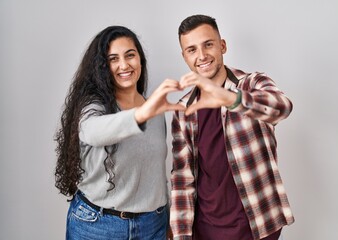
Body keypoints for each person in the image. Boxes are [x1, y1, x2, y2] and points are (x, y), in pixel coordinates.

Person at [169, 14, 295, 240]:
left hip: (258, 224)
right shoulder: (183, 109)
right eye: (192, 50)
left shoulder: (253, 83)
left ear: (222, 46)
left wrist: (230, 98)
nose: (202, 56)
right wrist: (181, 235)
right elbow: (182, 178)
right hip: (206, 229)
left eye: (208, 44)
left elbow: (282, 107)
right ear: (185, 57)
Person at [54, 25, 184, 240]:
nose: (124, 65)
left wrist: (169, 217)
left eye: (130, 55)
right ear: (102, 66)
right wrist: (140, 115)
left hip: (152, 226)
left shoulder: (154, 109)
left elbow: (156, 174)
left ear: (140, 59)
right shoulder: (93, 107)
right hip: (97, 226)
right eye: (113, 59)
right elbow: (92, 133)